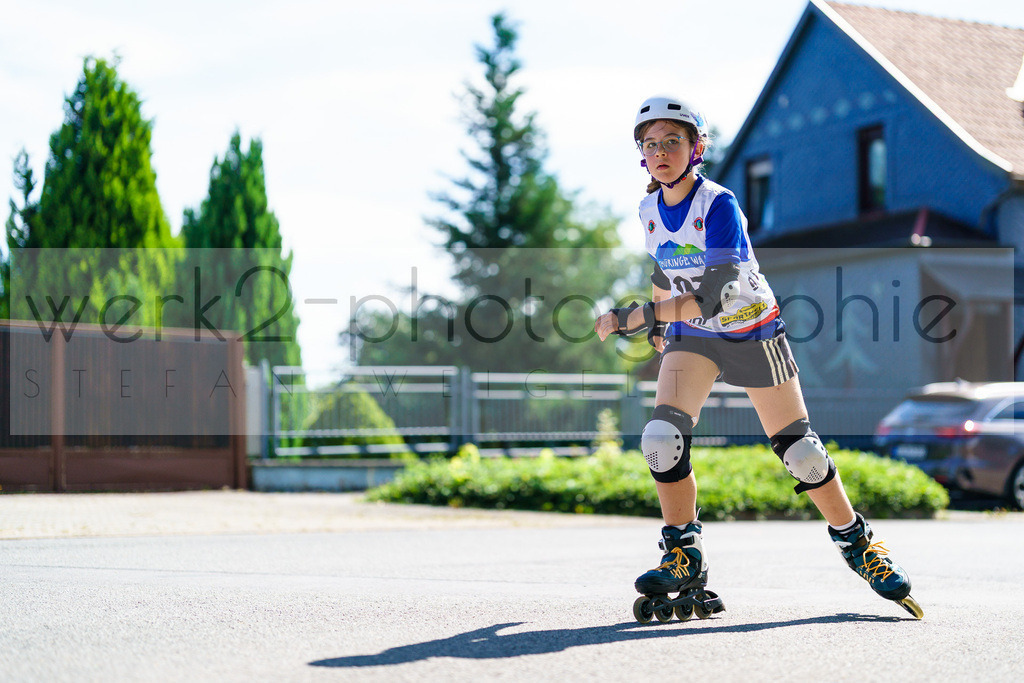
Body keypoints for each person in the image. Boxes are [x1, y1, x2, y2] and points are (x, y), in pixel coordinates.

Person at [594, 95, 922, 622]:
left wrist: (638, 316)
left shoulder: (718, 204)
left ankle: (857, 543)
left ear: (696, 148)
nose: (660, 153)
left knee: (801, 451)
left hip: (751, 328)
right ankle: (683, 552)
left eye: (672, 141)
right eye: (650, 145)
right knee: (660, 438)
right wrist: (658, 320)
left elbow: (714, 294)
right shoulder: (648, 210)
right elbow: (663, 269)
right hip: (694, 335)